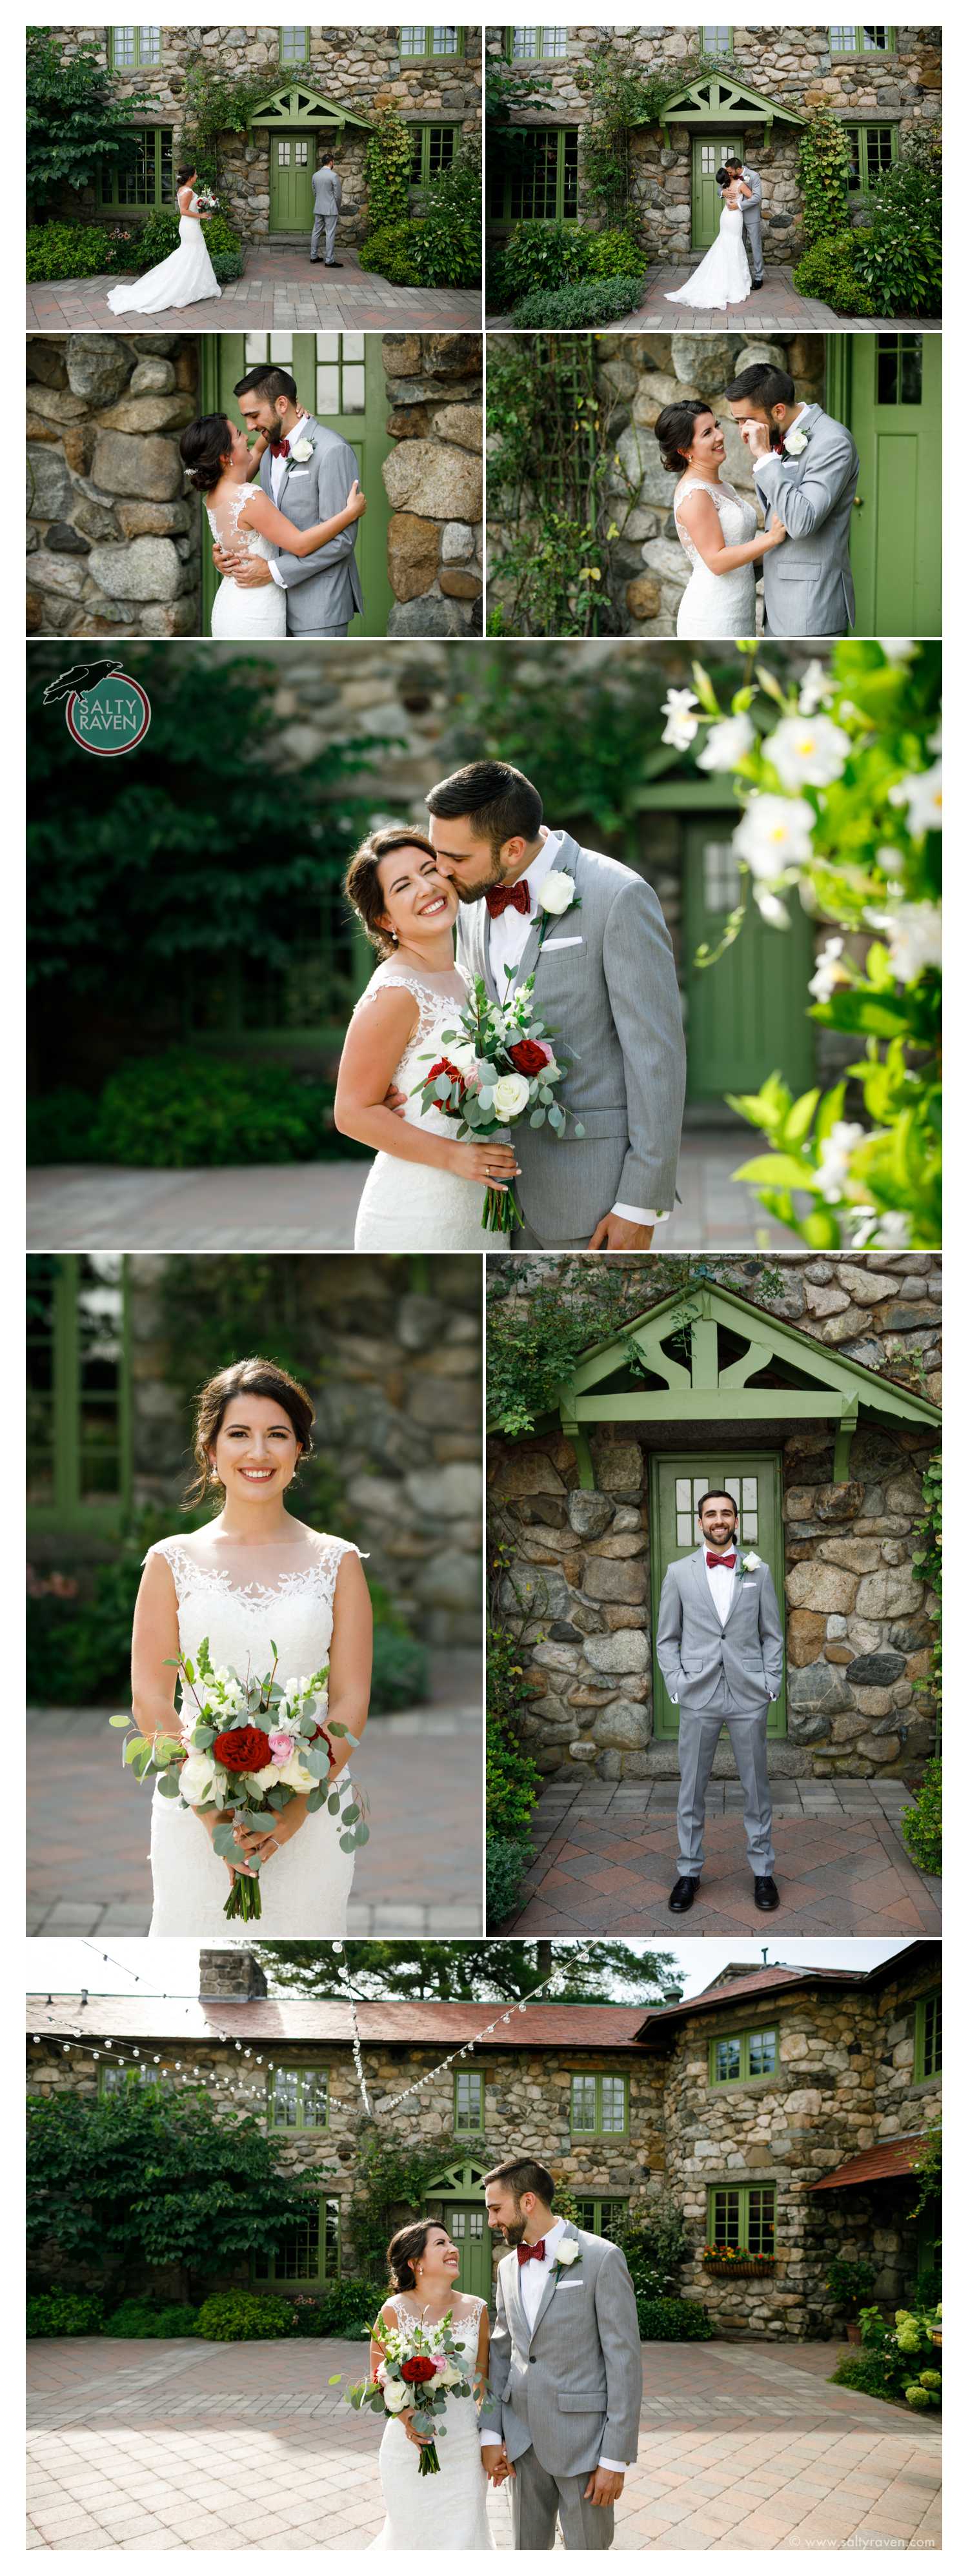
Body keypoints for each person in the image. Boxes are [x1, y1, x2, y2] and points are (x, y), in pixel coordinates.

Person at [131, 1357, 372, 1935]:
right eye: (239, 1434)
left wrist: (289, 1816)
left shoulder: (338, 1562)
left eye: (277, 1435)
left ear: (298, 1451)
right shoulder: (171, 1560)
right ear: (211, 1450)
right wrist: (215, 1816)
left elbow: (349, 1702)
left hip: (310, 1818)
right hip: (194, 1819)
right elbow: (150, 1701)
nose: (258, 1453)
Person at [422, 762, 686, 1252]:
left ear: (513, 848)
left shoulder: (618, 895)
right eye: (437, 852)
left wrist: (639, 1203)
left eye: (455, 856)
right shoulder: (473, 901)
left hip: (593, 1196)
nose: (441, 869)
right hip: (491, 1204)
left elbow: (657, 1057)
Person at [336, 825, 519, 1248]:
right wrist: (455, 1156)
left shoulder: (467, 977)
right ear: (384, 919)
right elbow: (351, 1111)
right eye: (403, 885)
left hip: (478, 1204)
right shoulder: (395, 992)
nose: (426, 887)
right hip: (420, 1210)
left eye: (429, 870)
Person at [480, 2156, 642, 2553]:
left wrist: (614, 2459)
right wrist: (491, 2432)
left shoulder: (602, 2257)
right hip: (522, 2443)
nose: (491, 2221)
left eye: (496, 2209)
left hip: (584, 2446)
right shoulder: (506, 2267)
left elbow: (624, 2363)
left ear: (528, 2202)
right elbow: (503, 2352)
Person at [655, 1488, 783, 1916]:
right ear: (700, 1522)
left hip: (749, 1693)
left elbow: (773, 1634)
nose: (719, 1519)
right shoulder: (678, 1572)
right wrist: (677, 1684)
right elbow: (667, 1638)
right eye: (711, 1513)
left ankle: (763, 1870)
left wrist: (770, 1683)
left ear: (735, 1519)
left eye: (726, 1512)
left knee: (757, 1788)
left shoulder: (758, 1570)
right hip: (699, 1693)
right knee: (692, 1787)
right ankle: (689, 1871)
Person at [208, 364, 365, 637]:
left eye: (254, 415)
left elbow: (343, 541)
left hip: (318, 607)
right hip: (268, 607)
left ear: (282, 404)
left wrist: (273, 571)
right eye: (245, 418)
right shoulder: (268, 452)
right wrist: (226, 554)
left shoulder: (332, 450)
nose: (250, 426)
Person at [370, 2220, 494, 2550]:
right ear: (416, 2262)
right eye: (440, 2244)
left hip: (463, 2447)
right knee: (411, 2539)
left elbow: (482, 2381)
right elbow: (380, 2380)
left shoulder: (477, 2309)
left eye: (451, 2243)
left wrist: (495, 2440)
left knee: (464, 2538)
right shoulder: (393, 2311)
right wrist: (409, 2420)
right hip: (410, 2448)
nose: (453, 2249)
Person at [725, 362, 860, 636]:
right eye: (737, 421)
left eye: (746, 420)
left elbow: (800, 522)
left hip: (811, 608)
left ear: (778, 411)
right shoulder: (782, 435)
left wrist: (765, 458)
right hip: (779, 606)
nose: (742, 431)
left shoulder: (833, 442)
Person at [656, 396, 787, 637]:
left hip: (738, 609)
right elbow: (717, 561)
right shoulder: (695, 494)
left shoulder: (722, 486)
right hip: (713, 615)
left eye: (716, 426)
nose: (720, 436)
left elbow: (740, 553)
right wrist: (772, 539)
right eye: (707, 433)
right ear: (685, 451)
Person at [107, 166, 220, 315]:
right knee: (193, 253)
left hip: (190, 226)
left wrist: (204, 205)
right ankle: (185, 286)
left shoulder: (184, 190)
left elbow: (190, 208)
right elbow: (184, 211)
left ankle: (195, 285)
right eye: (196, 174)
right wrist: (202, 215)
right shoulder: (187, 192)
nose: (197, 176)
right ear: (191, 176)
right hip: (190, 227)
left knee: (193, 254)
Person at [665, 165, 751, 309]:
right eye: (729, 172)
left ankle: (720, 275)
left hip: (725, 216)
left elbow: (722, 186)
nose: (730, 172)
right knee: (733, 243)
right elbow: (751, 197)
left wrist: (726, 193)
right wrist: (739, 204)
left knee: (724, 243)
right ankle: (734, 281)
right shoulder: (740, 185)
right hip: (735, 215)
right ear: (729, 174)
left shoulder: (726, 185)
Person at [723, 154, 764, 287]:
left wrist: (739, 205)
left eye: (730, 172)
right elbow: (720, 186)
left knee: (755, 246)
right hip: (735, 219)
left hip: (751, 217)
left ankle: (759, 278)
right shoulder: (731, 175)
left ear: (738, 169)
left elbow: (757, 198)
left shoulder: (754, 176)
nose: (728, 174)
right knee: (738, 246)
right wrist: (723, 193)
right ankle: (739, 275)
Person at [311, 151, 343, 266]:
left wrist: (319, 202)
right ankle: (329, 260)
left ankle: (313, 256)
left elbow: (314, 192)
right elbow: (338, 196)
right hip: (330, 209)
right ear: (331, 162)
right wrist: (337, 207)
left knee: (316, 232)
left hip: (318, 207)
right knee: (330, 234)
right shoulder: (333, 176)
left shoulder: (315, 175)